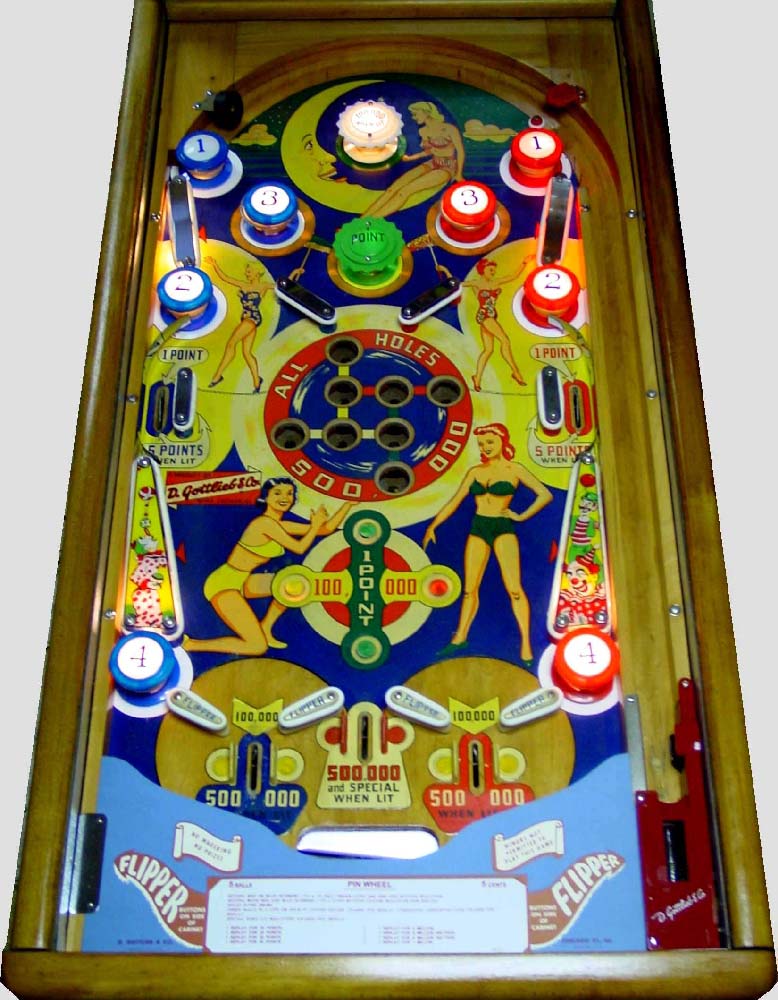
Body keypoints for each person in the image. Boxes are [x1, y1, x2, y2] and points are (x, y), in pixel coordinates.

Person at [423, 424, 551, 664]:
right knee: (470, 589)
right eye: (481, 444)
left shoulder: (515, 469)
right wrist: (433, 525)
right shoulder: (475, 472)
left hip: (503, 527)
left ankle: (526, 644)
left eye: (490, 442)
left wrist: (521, 516)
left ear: (503, 441)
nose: (485, 447)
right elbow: (455, 500)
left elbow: (544, 494)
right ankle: (460, 637)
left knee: (514, 589)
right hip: (478, 526)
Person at [185, 477, 354, 656]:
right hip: (224, 584)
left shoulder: (280, 525)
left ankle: (266, 627)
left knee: (290, 583)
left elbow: (326, 529)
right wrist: (315, 525)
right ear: (266, 497)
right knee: (257, 647)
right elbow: (299, 548)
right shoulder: (263, 524)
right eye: (277, 493)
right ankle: (192, 645)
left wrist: (348, 505)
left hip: (243, 579)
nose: (285, 497)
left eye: (289, 493)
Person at [362, 101, 464, 218]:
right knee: (392, 189)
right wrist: (411, 158)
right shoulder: (423, 131)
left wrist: (459, 174)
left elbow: (460, 151)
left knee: (404, 191)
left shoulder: (449, 129)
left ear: (426, 112)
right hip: (432, 163)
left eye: (415, 114)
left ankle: (367, 222)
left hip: (447, 168)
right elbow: (429, 151)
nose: (414, 117)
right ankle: (362, 218)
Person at [462, 254, 535, 391]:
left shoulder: (496, 282)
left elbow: (513, 276)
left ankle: (477, 378)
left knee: (488, 350)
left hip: (491, 316)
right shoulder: (476, 283)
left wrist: (524, 262)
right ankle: (516, 372)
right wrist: (445, 271)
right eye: (490, 270)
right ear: (483, 270)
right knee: (505, 341)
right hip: (485, 316)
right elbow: (456, 284)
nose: (493, 272)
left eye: (494, 270)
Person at [205, 257, 275, 391]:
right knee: (247, 353)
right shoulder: (243, 285)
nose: (246, 274)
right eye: (247, 271)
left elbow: (282, 287)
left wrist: (294, 274)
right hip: (245, 319)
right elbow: (225, 278)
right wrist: (215, 264)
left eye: (249, 271)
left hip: (252, 319)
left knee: (231, 344)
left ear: (257, 272)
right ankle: (257, 382)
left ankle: (217, 376)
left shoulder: (263, 286)